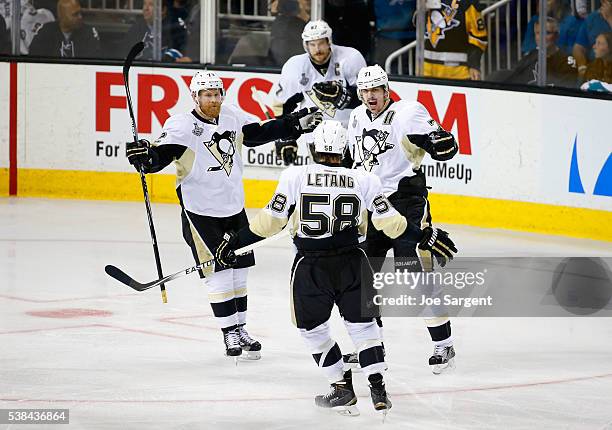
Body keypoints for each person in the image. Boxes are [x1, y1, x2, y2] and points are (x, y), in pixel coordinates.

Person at [215, 120, 457, 414]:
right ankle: (378, 386)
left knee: (312, 329)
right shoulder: (365, 179)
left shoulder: (295, 175)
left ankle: (341, 387)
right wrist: (423, 235)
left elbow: (269, 222)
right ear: (344, 150)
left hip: (311, 266)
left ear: (313, 147)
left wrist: (234, 242)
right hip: (354, 263)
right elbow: (390, 223)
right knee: (364, 327)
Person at [125, 70, 322, 359]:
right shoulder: (181, 126)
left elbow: (257, 135)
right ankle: (228, 331)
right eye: (207, 95)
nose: (214, 99)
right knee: (217, 273)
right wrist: (145, 158)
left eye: (217, 94)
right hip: (200, 211)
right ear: (195, 97)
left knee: (239, 270)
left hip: (233, 207)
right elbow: (161, 156)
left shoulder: (231, 115)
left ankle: (241, 328)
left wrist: (292, 125)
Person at [346, 64, 460, 374]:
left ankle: (443, 343)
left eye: (376, 90)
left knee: (417, 277)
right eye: (365, 90)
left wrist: (441, 144)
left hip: (405, 204)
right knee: (364, 277)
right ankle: (371, 346)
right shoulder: (356, 117)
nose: (371, 96)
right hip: (369, 207)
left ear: (386, 90)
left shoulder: (407, 112)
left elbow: (440, 143)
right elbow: (351, 160)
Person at [271, 20, 366, 165]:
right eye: (312, 44)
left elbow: (366, 97)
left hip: (350, 133)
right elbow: (282, 105)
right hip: (317, 136)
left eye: (321, 43)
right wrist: (285, 137)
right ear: (305, 45)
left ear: (329, 41)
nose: (317, 49)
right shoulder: (294, 66)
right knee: (324, 182)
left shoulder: (351, 57)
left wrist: (344, 97)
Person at [496, 17, 577, 87]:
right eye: (538, 33)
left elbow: (564, 92)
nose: (542, 37)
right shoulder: (530, 57)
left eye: (547, 33)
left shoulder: (566, 61)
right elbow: (513, 80)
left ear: (557, 36)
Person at [423, 0, 488, 80]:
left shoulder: (467, 4)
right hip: (426, 72)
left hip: (458, 74)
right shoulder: (425, 2)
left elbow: (479, 38)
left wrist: (474, 64)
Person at [121, 0, 191, 62]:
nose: (146, 8)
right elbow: (125, 53)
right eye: (144, 4)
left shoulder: (175, 27)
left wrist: (169, 58)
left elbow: (182, 51)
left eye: (151, 5)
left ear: (163, 10)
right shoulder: (136, 27)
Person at [28, 0, 100, 58]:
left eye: (80, 13)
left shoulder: (89, 32)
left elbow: (92, 60)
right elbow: (34, 59)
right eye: (75, 14)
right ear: (61, 17)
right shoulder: (45, 32)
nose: (80, 17)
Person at [572, 0, 612, 80]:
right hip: (594, 71)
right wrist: (582, 66)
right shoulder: (592, 18)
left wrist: (610, 18)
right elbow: (578, 47)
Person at [269, 0, 310, 66]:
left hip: (276, 61)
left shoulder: (276, 23)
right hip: (294, 62)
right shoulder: (300, 24)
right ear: (297, 9)